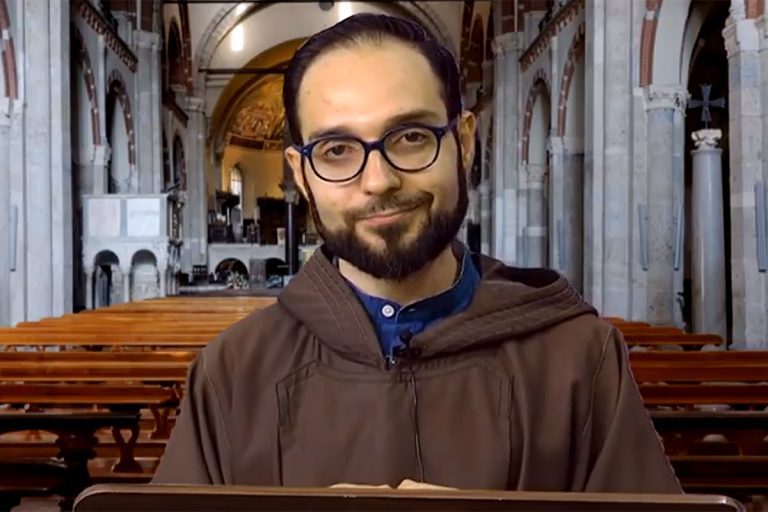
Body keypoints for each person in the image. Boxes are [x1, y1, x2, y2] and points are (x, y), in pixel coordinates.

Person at [152, 13, 681, 493]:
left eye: (410, 136)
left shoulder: (580, 359)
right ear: (301, 174)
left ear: (464, 143)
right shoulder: (232, 372)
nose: (378, 180)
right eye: (337, 150)